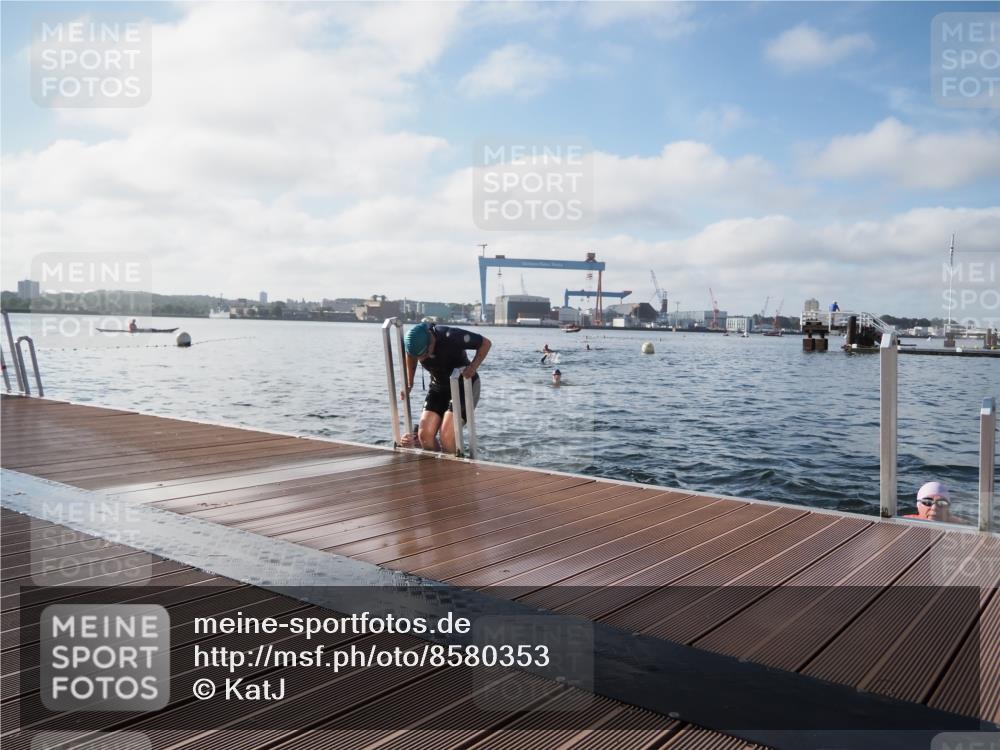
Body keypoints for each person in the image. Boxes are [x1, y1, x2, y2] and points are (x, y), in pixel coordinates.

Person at [400, 322, 491, 453]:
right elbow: (410, 355)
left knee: (447, 436)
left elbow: (486, 343)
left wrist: (472, 367)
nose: (424, 358)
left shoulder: (451, 335)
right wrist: (410, 383)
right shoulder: (413, 346)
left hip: (463, 386)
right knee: (424, 436)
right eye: (419, 357)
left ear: (430, 340)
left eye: (425, 354)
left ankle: (456, 463)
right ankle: (437, 464)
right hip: (438, 387)